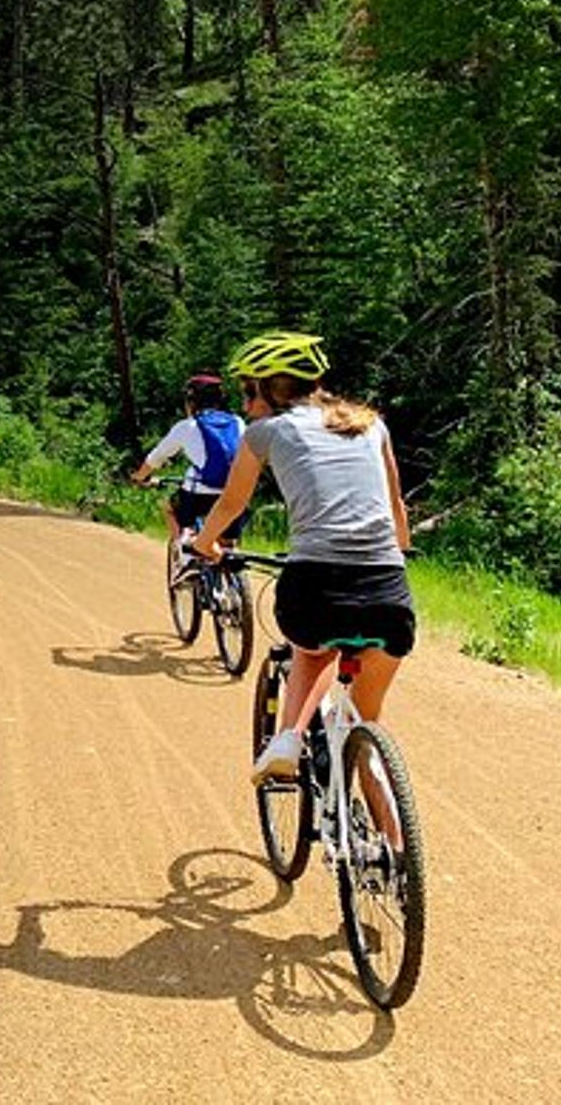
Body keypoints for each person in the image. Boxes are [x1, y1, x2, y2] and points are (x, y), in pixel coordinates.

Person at [188, 332, 415, 785]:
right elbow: (396, 510)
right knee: (366, 722)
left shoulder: (265, 432)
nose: (246, 403)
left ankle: (288, 737)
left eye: (249, 390)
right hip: (389, 588)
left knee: (312, 651)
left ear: (270, 389)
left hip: (317, 582)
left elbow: (231, 505)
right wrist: (401, 551)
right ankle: (393, 845)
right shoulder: (373, 424)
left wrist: (204, 545)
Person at [131, 375, 247, 549]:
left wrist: (140, 477)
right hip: (235, 493)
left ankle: (185, 556)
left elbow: (155, 459)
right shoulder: (238, 422)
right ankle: (232, 565)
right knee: (227, 545)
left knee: (170, 508)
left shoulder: (188, 426)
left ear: (191, 402)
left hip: (198, 495)